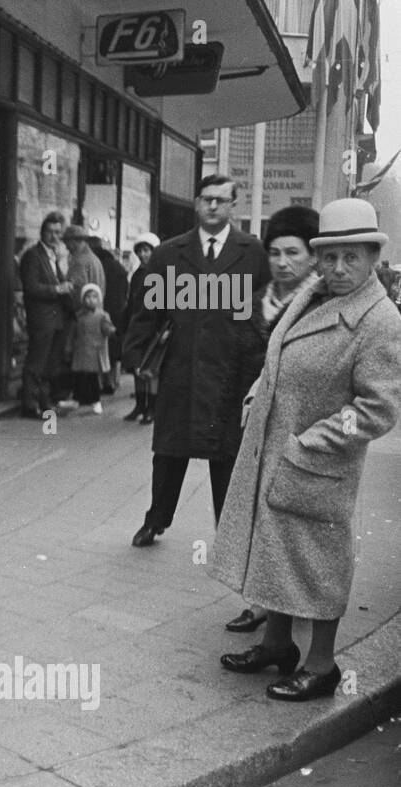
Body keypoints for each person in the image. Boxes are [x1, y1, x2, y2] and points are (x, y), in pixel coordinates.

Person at [211, 198, 401, 700]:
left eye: (351, 257)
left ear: (373, 258)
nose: (338, 268)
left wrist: (311, 442)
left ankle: (321, 665)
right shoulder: (312, 293)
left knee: (319, 564)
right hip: (276, 452)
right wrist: (257, 393)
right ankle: (277, 645)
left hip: (318, 464)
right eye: (330, 256)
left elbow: (379, 408)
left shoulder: (380, 320)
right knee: (277, 552)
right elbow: (278, 356)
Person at [122, 175, 270, 547]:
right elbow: (147, 312)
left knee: (226, 458)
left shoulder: (252, 253)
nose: (214, 206)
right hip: (181, 370)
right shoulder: (170, 253)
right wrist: (137, 355)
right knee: (169, 453)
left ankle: (229, 533)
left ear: (234, 205)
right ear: (196, 203)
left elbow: (265, 314)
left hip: (231, 375)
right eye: (207, 199)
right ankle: (155, 520)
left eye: (222, 200)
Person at [225, 205, 320, 634]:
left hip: (296, 431)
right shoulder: (253, 301)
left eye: (293, 253)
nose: (283, 263)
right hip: (250, 426)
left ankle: (291, 603)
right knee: (254, 518)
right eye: (275, 253)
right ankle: (262, 601)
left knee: (288, 525)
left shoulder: (318, 307)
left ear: (313, 255)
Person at [18, 211, 74, 418]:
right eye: (50, 232)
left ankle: (44, 402)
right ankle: (30, 403)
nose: (54, 237)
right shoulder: (33, 256)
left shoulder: (54, 256)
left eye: (58, 233)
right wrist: (57, 290)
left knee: (49, 364)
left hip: (56, 318)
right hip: (41, 318)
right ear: (42, 232)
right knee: (36, 361)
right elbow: (31, 287)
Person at [54, 225, 104, 407]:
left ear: (77, 242)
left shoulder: (80, 261)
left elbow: (75, 290)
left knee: (79, 357)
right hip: (95, 314)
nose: (67, 247)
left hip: (82, 317)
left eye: (68, 243)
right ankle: (89, 397)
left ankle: (81, 396)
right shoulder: (94, 260)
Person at [121, 233, 160, 423]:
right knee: (137, 367)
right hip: (137, 327)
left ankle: (151, 408)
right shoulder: (137, 274)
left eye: (147, 250)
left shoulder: (161, 273)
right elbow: (131, 303)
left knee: (150, 370)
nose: (143, 255)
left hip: (153, 329)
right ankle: (140, 405)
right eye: (140, 251)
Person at [87, 234, 128, 392]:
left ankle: (101, 383)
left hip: (100, 310)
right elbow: (125, 290)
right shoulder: (118, 266)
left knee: (100, 348)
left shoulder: (96, 264)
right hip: (117, 312)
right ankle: (113, 381)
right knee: (114, 348)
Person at [67, 283, 115, 414]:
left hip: (94, 351)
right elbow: (72, 333)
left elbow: (106, 328)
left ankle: (96, 401)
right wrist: (68, 347)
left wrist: (110, 330)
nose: (91, 300)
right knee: (79, 376)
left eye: (94, 297)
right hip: (81, 350)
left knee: (93, 378)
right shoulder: (78, 316)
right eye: (88, 297)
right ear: (83, 299)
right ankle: (77, 398)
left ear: (98, 299)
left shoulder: (102, 315)